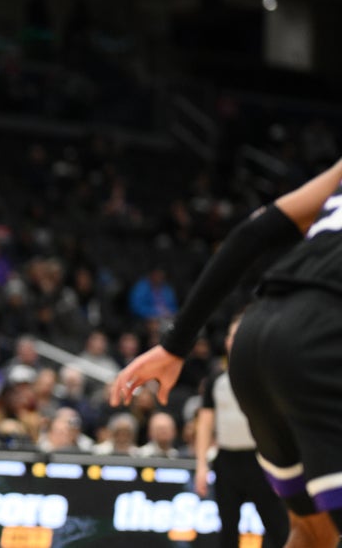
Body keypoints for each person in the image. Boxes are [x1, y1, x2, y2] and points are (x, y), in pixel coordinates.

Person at [112, 157, 342, 547]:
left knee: (313, 532)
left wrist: (175, 344)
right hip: (323, 333)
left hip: (256, 332)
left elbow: (251, 234)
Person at [194, 314, 288, 548]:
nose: (235, 341)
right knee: (227, 531)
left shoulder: (268, 375)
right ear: (226, 341)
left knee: (278, 528)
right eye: (232, 336)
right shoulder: (216, 379)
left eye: (241, 336)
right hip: (227, 462)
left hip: (261, 460)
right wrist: (201, 465)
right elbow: (205, 423)